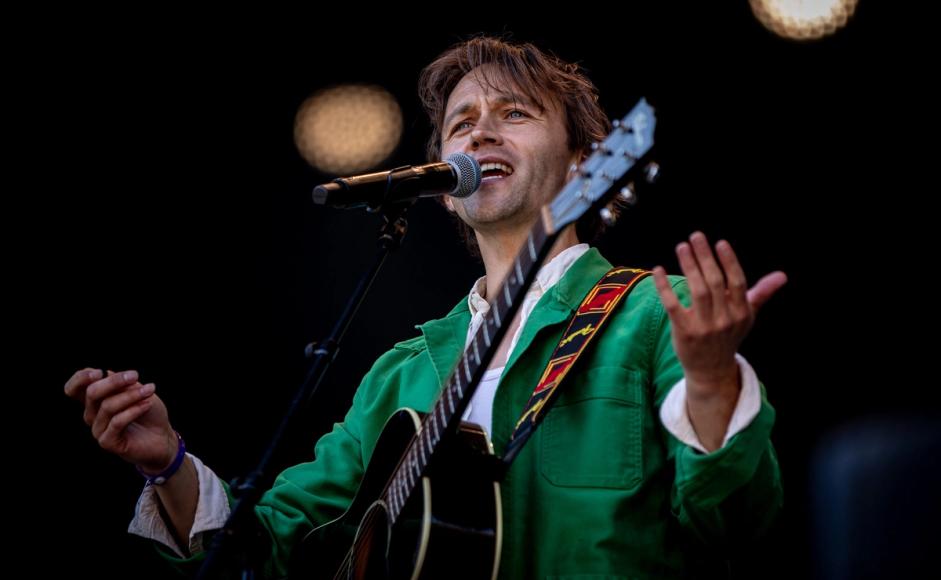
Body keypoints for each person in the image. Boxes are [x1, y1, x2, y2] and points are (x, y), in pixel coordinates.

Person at [64, 36, 787, 579]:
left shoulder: (656, 314)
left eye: (514, 113)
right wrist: (168, 467)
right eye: (461, 122)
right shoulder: (400, 375)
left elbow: (740, 534)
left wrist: (713, 385)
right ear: (444, 185)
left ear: (579, 164)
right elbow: (262, 547)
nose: (478, 131)